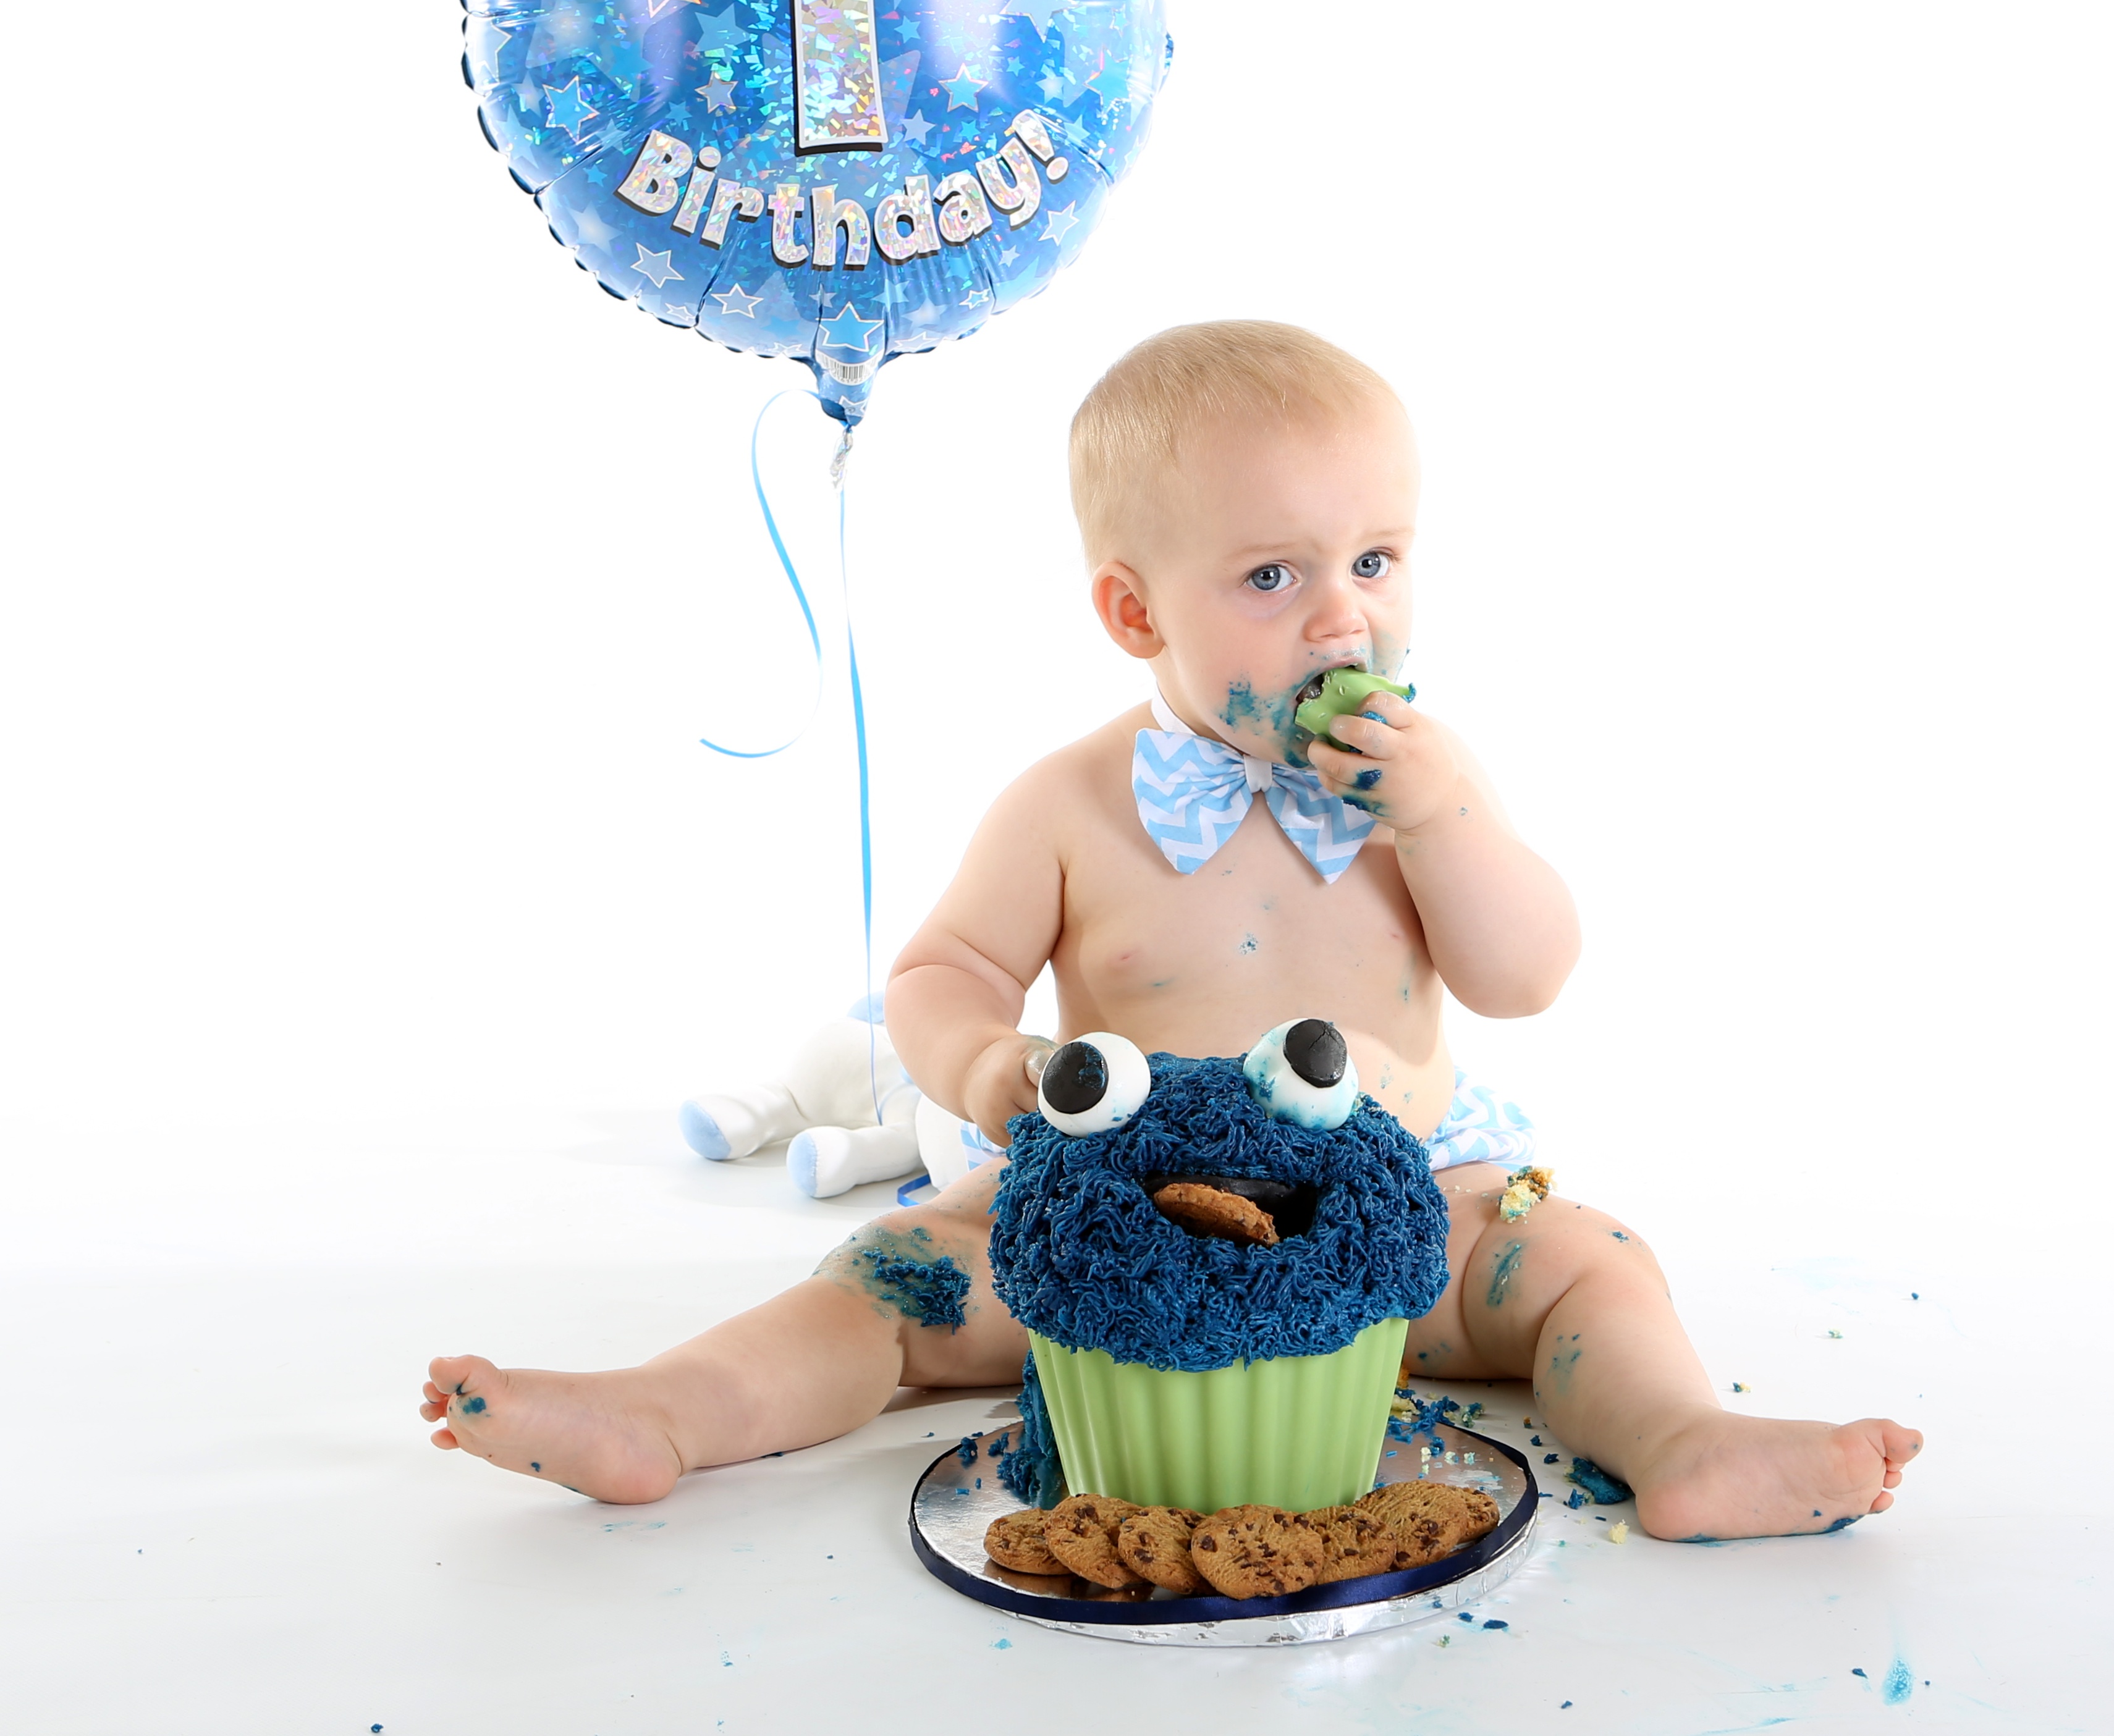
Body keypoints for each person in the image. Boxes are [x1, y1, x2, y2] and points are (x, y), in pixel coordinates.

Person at [420, 320, 1920, 1538]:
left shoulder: (1426, 786)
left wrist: (1444, 818)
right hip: (1116, 1234)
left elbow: (1525, 976)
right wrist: (988, 1067)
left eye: (1375, 561)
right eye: (1272, 576)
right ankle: (670, 1409)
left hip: (1392, 1220)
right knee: (900, 1275)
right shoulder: (1070, 803)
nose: (1341, 619)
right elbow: (943, 970)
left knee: (1586, 1261)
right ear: (1135, 615)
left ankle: (1683, 1439)